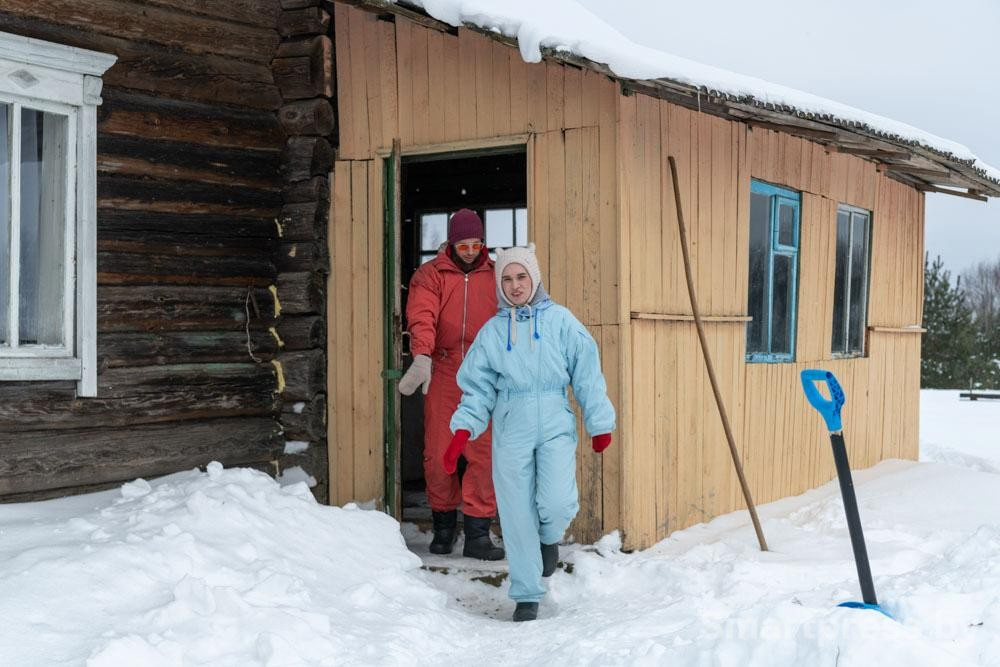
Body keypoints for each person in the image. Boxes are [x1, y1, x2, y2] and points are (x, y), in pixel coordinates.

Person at [443, 244, 615, 622]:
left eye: (521, 277)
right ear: (499, 284)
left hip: (555, 420)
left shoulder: (562, 322)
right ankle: (526, 594)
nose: (515, 285)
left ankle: (548, 538)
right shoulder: (492, 332)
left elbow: (587, 373)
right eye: (507, 279)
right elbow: (477, 389)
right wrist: (463, 429)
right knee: (516, 513)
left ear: (534, 278)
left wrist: (599, 423)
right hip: (511, 426)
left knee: (557, 502)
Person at [398, 209, 505, 561]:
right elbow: (422, 315)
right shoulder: (430, 275)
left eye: (476, 244)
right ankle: (443, 527)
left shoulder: (497, 274)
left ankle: (477, 534)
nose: (471, 251)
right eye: (464, 245)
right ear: (451, 243)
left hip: (484, 371)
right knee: (439, 452)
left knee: (483, 453)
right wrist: (422, 355)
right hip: (444, 368)